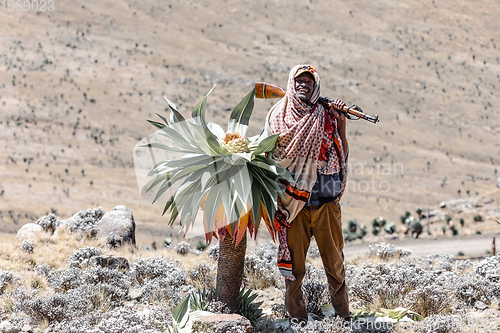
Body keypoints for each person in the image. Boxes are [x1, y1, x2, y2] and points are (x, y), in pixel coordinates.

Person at [264, 65, 350, 324]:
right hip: (293, 207)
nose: (304, 85)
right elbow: (271, 157)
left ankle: (343, 318)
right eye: (299, 81)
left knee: (335, 265)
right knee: (294, 270)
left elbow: (341, 153)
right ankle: (297, 320)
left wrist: (342, 122)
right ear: (291, 83)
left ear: (316, 86)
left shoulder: (326, 115)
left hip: (325, 203)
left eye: (309, 82)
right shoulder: (278, 116)